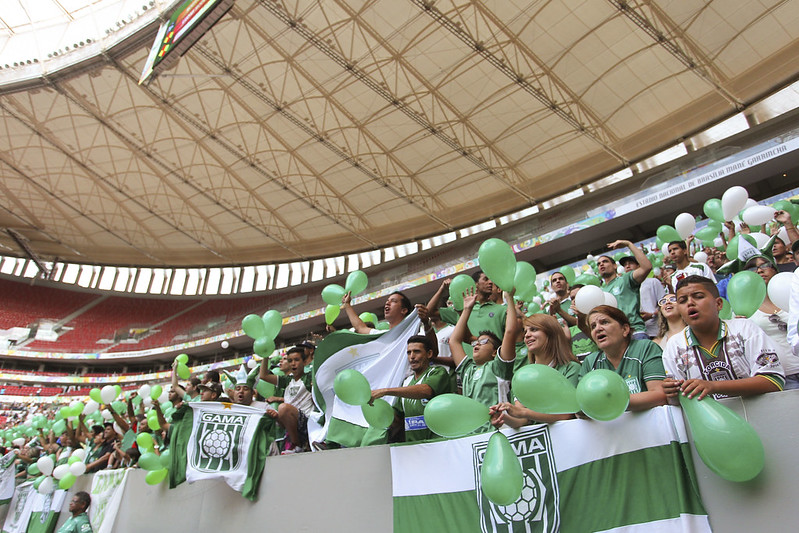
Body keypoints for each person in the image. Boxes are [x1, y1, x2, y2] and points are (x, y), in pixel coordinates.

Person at [662, 275, 785, 400]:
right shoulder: (674, 346)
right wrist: (672, 392)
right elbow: (679, 401)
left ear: (719, 304)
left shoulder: (744, 329)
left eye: (698, 297)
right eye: (682, 301)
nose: (690, 303)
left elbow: (773, 380)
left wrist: (714, 386)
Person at [490, 314, 581, 428]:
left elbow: (567, 413)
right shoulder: (524, 376)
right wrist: (503, 418)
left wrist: (524, 413)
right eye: (525, 331)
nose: (527, 335)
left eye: (533, 329)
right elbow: (522, 420)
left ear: (551, 333)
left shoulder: (571, 368)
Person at [579, 305, 667, 411]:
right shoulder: (590, 362)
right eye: (593, 326)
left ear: (625, 329)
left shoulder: (645, 348)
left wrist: (609, 403)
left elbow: (660, 395)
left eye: (605, 322)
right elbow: (582, 403)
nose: (598, 328)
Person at [449, 287, 520, 414]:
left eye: (483, 342)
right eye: (476, 342)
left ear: (495, 352)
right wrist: (467, 309)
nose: (477, 345)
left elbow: (510, 332)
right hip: (475, 432)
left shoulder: (499, 367)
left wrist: (509, 298)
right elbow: (454, 341)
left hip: (499, 428)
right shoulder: (468, 369)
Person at [369, 335, 452, 442]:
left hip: (438, 443)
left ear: (429, 354)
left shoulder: (438, 372)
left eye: (416, 351)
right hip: (413, 447)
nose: (412, 356)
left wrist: (385, 391)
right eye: (409, 352)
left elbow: (425, 391)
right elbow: (396, 419)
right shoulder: (406, 382)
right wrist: (375, 409)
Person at [741, 257, 799, 388]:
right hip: (781, 375)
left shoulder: (794, 296)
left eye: (765, 265)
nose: (760, 270)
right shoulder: (743, 306)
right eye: (753, 268)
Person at [260, 346, 315, 453]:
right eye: (290, 361)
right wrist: (265, 355)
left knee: (283, 408)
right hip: (290, 424)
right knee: (270, 413)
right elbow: (263, 376)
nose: (293, 363)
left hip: (307, 422)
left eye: (296, 360)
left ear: (304, 362)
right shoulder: (286, 380)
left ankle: (296, 445)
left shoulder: (309, 378)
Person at [596, 239, 652, 339]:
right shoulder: (600, 292)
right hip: (616, 338)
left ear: (614, 266)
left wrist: (628, 244)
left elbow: (646, 267)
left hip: (635, 332)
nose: (601, 264)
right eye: (598, 264)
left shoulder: (626, 279)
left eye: (605, 261)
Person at [620, 255, 666, 338]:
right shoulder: (623, 288)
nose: (627, 266)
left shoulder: (653, 282)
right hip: (635, 333)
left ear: (639, 265)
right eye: (625, 265)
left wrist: (652, 315)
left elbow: (664, 303)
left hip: (655, 331)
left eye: (630, 263)